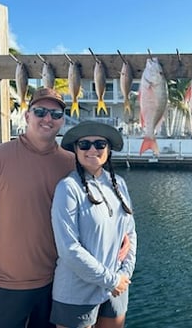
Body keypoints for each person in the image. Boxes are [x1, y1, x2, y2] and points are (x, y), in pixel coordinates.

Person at [0, 87, 130, 328]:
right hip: (5, 287)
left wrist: (121, 236)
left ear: (63, 120)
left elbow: (101, 205)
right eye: (40, 111)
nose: (47, 118)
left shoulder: (72, 163)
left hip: (55, 285)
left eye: (56, 114)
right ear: (27, 116)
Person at [49, 121, 137, 328]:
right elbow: (69, 249)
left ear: (108, 150)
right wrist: (111, 280)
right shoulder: (68, 188)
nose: (92, 150)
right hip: (77, 293)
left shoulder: (120, 185)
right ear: (76, 151)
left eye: (99, 144)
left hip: (116, 289)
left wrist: (124, 275)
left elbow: (130, 234)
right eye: (84, 145)